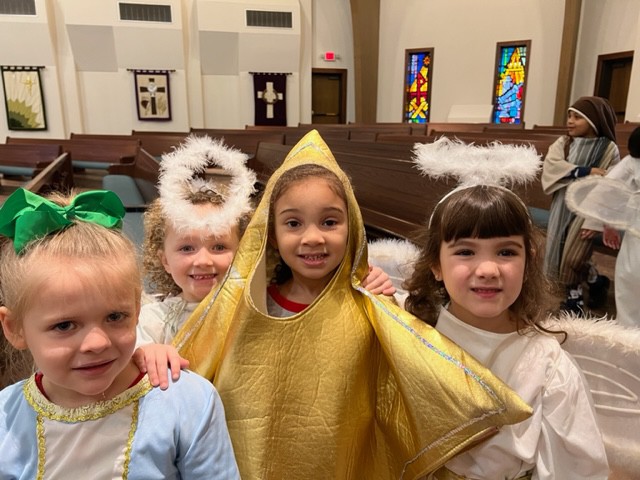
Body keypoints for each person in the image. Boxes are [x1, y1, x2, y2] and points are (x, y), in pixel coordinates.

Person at [171, 130, 533, 479]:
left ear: (354, 226)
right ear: (271, 232)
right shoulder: (243, 307)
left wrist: (388, 306)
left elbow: (406, 389)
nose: (313, 237)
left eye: (330, 221)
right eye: (293, 223)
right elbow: (191, 368)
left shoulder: (371, 304)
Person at [405, 138, 609, 479]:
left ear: (528, 261)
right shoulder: (411, 338)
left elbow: (576, 469)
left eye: (506, 252)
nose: (488, 270)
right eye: (466, 252)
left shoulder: (546, 364)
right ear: (435, 265)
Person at [0, 188, 240, 479]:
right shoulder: (6, 419)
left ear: (137, 309)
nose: (97, 343)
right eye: (64, 326)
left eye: (115, 317)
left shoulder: (189, 403)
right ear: (14, 328)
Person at [136, 135, 395, 387]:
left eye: (219, 246)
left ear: (245, 250)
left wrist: (380, 285)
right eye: (186, 248)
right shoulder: (154, 319)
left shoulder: (254, 303)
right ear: (164, 260)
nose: (203, 260)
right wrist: (145, 353)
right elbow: (128, 350)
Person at [541, 96, 619, 313]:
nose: (570, 121)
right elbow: (552, 167)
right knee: (558, 253)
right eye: (569, 115)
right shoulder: (564, 143)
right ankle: (596, 281)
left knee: (573, 257)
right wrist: (586, 171)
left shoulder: (608, 149)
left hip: (588, 211)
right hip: (562, 206)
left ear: (593, 121)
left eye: (578, 117)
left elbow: (611, 185)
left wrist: (596, 221)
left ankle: (574, 298)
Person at [566, 126, 640, 327]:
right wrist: (608, 224)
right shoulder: (633, 162)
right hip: (638, 234)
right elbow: (606, 190)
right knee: (633, 282)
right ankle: (630, 335)